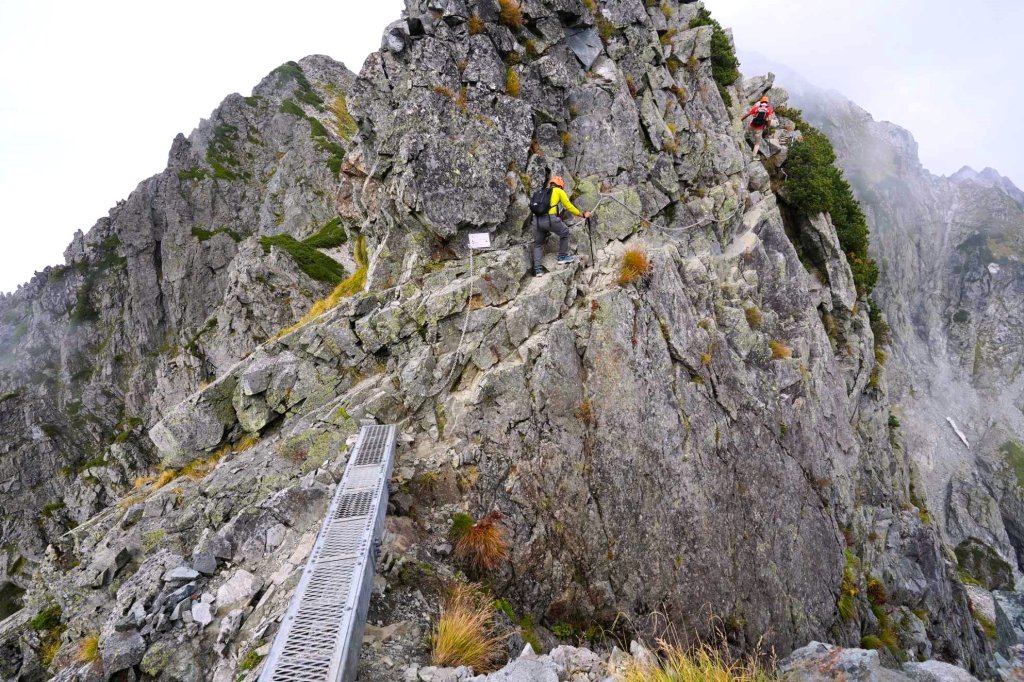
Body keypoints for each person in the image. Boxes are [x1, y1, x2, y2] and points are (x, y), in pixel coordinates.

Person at [532, 176, 592, 277]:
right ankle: (562, 257)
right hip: (549, 219)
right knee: (564, 232)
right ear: (560, 185)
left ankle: (538, 270)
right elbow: (569, 206)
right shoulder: (559, 191)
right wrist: (582, 215)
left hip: (536, 221)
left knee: (537, 244)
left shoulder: (543, 192)